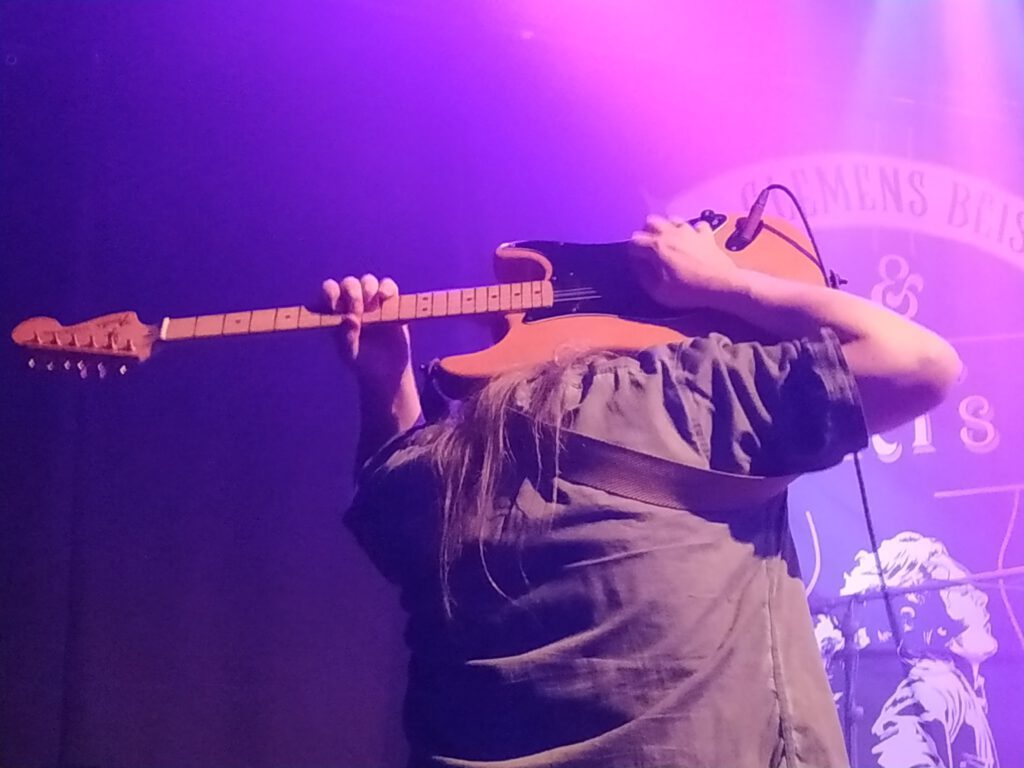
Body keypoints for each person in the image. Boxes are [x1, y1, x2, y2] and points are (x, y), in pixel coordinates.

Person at [323, 216, 962, 768]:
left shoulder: (452, 459)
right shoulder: (680, 394)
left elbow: (388, 504)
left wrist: (386, 385)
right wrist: (726, 283)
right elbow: (918, 362)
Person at [839, 531, 1000, 768]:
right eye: (963, 591)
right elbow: (902, 751)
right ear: (909, 618)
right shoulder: (934, 683)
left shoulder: (948, 685)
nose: (982, 598)